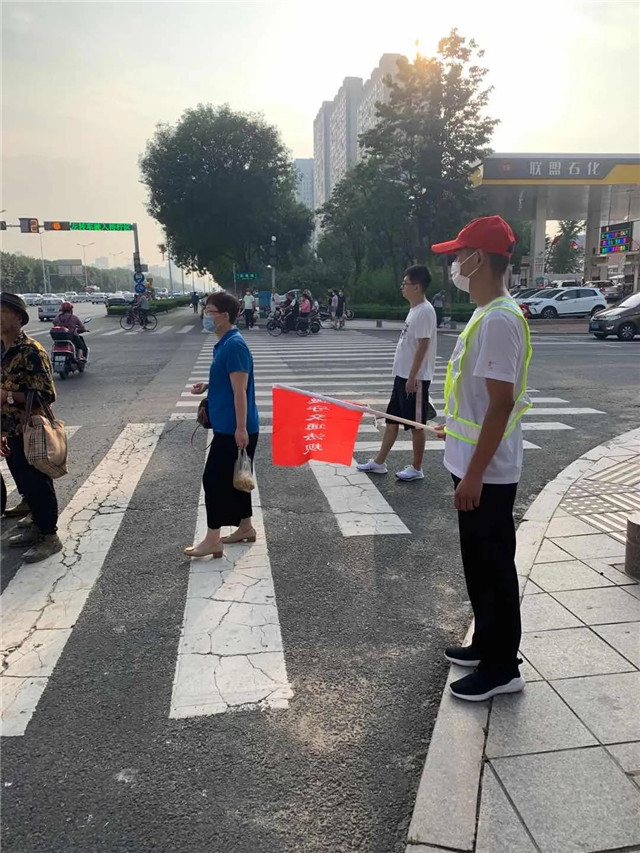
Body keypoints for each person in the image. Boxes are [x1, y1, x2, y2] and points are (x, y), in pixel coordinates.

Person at [431, 215, 530, 702]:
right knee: (478, 562)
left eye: (458, 255)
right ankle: (486, 643)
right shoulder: (484, 313)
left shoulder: (498, 320)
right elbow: (476, 399)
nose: (454, 264)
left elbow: (501, 403)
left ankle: (502, 667)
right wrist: (452, 426)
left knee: (493, 566)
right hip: (471, 463)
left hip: (485, 473)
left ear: (477, 259)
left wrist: (473, 474)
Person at [185, 291, 259, 558]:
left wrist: (240, 428)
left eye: (210, 311)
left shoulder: (234, 345)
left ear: (225, 316)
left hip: (234, 428)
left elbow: (240, 390)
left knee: (213, 480)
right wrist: (207, 385)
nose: (205, 315)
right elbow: (229, 380)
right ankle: (246, 527)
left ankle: (212, 539)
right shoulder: (224, 343)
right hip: (228, 425)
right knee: (238, 478)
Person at [357, 265, 437, 481]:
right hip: (403, 376)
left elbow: (423, 346)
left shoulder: (425, 311)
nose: (402, 287)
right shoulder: (415, 310)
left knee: (416, 424)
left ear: (417, 286)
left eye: (405, 284)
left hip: (415, 379)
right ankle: (379, 462)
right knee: (391, 420)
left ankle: (417, 468)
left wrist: (412, 377)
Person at [0, 292, 62, 562]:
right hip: (9, 430)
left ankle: (50, 536)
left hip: (30, 430)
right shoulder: (1, 349)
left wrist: (8, 396)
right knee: (24, 483)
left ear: (18, 317)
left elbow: (46, 395)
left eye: (2, 311)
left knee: (38, 484)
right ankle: (36, 524)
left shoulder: (31, 351)